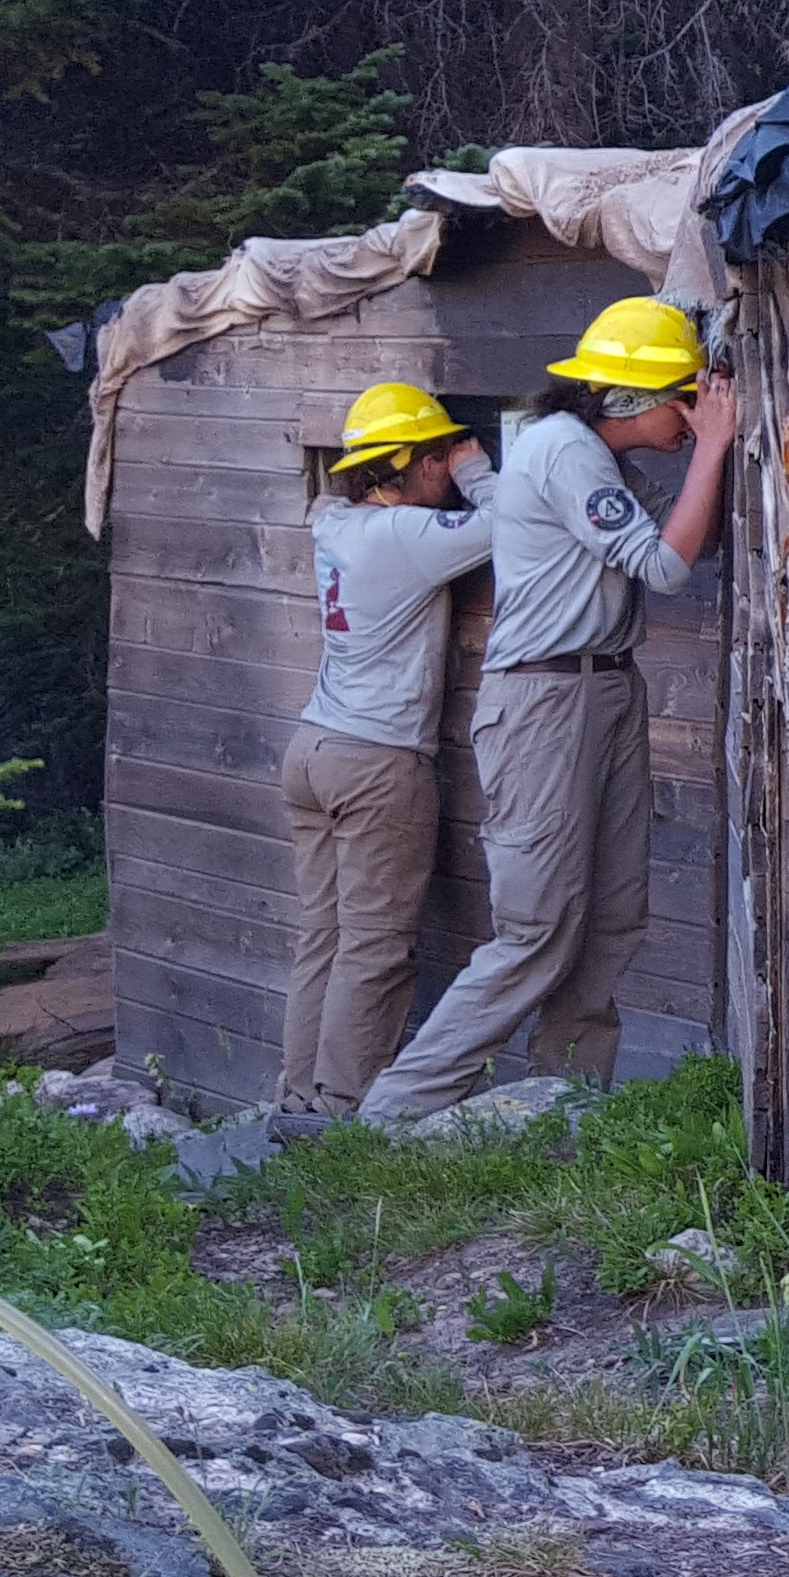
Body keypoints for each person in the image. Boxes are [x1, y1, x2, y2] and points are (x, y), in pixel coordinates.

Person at [358, 298, 737, 1126]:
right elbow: (666, 568)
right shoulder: (563, 451)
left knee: (609, 918)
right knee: (536, 927)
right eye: (685, 398)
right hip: (545, 699)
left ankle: (562, 1107)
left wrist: (706, 455)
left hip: (602, 687)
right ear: (634, 400)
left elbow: (680, 537)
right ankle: (390, 1114)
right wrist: (712, 449)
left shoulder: (587, 453)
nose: (695, 414)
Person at [281, 383, 496, 1123]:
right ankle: (343, 1113)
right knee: (374, 947)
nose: (448, 464)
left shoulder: (335, 522)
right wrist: (477, 472)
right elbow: (509, 523)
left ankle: (297, 1098)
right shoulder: (404, 536)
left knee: (324, 936)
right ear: (409, 463)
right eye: (438, 453)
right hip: (377, 759)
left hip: (313, 745)